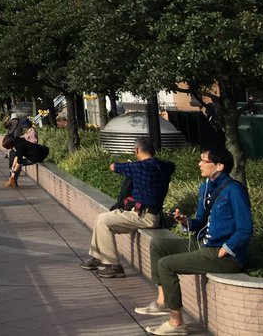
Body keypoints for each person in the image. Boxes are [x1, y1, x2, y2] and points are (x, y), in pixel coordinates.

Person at [135, 145, 252, 336]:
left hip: (223, 254)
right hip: (204, 244)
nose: (199, 164)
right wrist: (185, 221)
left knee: (166, 265)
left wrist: (227, 249)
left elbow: (245, 229)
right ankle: (163, 301)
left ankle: (176, 322)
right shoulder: (205, 188)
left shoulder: (234, 190)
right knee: (157, 244)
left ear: (219, 166)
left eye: (204, 161)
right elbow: (198, 222)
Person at [80, 136, 175, 278]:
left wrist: (127, 163)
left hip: (143, 216)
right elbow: (170, 166)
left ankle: (113, 265)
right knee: (102, 219)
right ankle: (99, 257)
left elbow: (113, 166)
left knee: (103, 220)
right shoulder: (165, 166)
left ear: (137, 150)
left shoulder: (138, 167)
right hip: (153, 214)